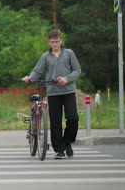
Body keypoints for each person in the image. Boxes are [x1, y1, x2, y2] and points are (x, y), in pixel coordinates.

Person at [21, 29, 81, 159]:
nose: (55, 44)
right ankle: (59, 150)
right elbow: (37, 70)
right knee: (55, 122)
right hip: (53, 92)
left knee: (73, 118)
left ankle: (67, 142)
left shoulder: (69, 54)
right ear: (49, 42)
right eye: (52, 42)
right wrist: (29, 77)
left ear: (61, 41)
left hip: (68, 90)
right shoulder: (45, 56)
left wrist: (67, 78)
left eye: (57, 41)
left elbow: (77, 70)